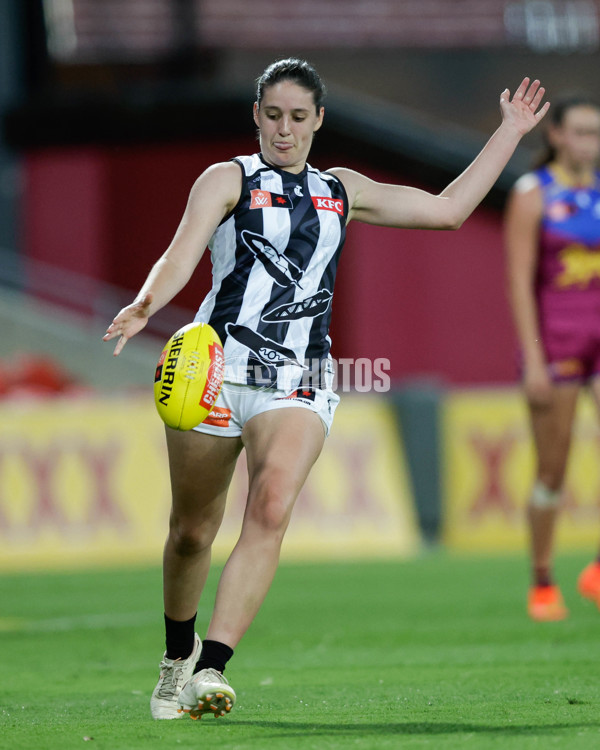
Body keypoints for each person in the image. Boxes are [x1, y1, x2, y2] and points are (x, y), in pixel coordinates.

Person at [104, 58, 549, 720]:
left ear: (318, 121)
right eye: (274, 115)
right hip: (216, 367)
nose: (285, 130)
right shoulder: (228, 178)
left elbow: (449, 210)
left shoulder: (340, 189)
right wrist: (145, 303)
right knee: (193, 531)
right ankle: (175, 656)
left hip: (303, 374)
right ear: (257, 116)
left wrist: (510, 131)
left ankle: (211, 668)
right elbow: (181, 251)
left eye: (299, 117)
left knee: (273, 504)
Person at [504, 93, 600, 622]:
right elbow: (519, 282)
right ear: (557, 135)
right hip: (557, 344)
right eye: (582, 132)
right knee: (554, 469)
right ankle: (543, 580)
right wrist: (534, 360)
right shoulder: (532, 193)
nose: (591, 143)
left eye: (597, 133)